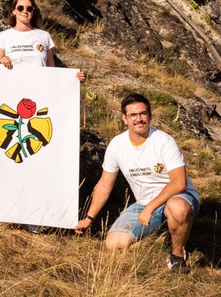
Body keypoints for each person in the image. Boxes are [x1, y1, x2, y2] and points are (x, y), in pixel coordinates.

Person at [75, 92, 198, 272]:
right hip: (144, 203)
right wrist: (89, 218)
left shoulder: (164, 141)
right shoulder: (117, 145)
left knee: (178, 208)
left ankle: (178, 255)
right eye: (133, 115)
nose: (139, 119)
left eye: (143, 114)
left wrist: (150, 209)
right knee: (113, 244)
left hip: (177, 197)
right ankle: (161, 237)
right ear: (124, 118)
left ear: (150, 115)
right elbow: (104, 184)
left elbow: (179, 183)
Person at [0, 0, 84, 80]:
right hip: (13, 88)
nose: (25, 11)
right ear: (13, 11)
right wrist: (0, 60)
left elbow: (52, 71)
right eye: (20, 8)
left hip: (40, 89)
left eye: (29, 9)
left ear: (33, 12)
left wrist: (74, 79)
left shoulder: (44, 36)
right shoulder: (3, 36)